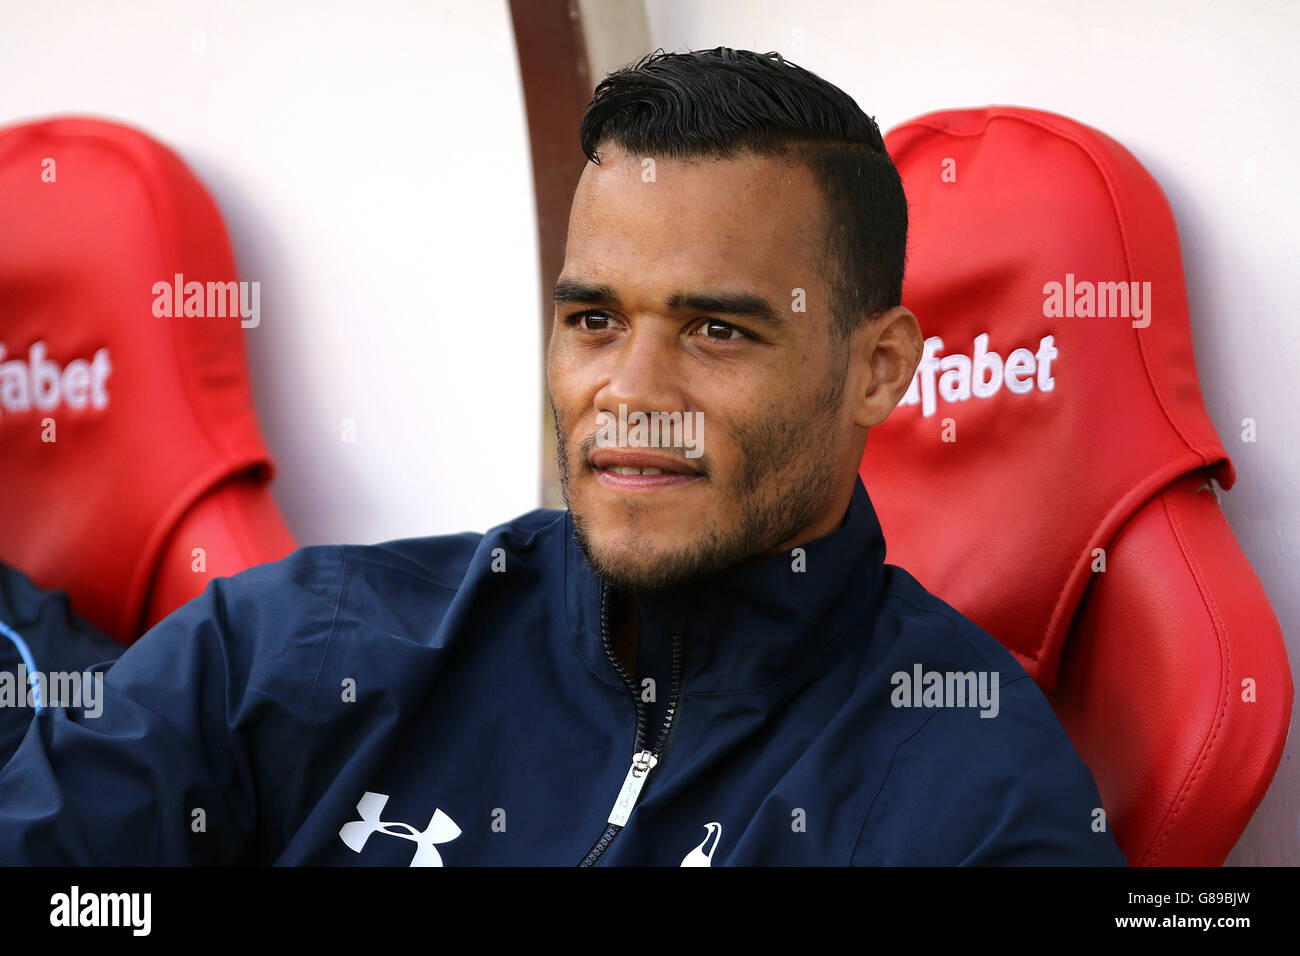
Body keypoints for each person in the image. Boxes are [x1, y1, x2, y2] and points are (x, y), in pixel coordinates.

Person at [0, 47, 1126, 866]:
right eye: (593, 320)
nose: (628, 393)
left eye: (716, 329)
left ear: (876, 369)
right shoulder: (294, 649)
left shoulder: (970, 799)